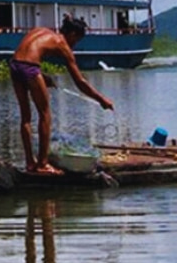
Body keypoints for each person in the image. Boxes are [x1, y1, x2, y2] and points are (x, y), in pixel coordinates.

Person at [9, 17, 114, 175]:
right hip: (29, 67)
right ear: (72, 34)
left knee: (26, 117)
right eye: (76, 40)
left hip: (15, 64)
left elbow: (26, 56)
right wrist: (102, 100)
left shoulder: (42, 31)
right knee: (45, 115)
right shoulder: (63, 45)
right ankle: (42, 164)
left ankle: (30, 163)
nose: (75, 45)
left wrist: (42, 76)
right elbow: (80, 82)